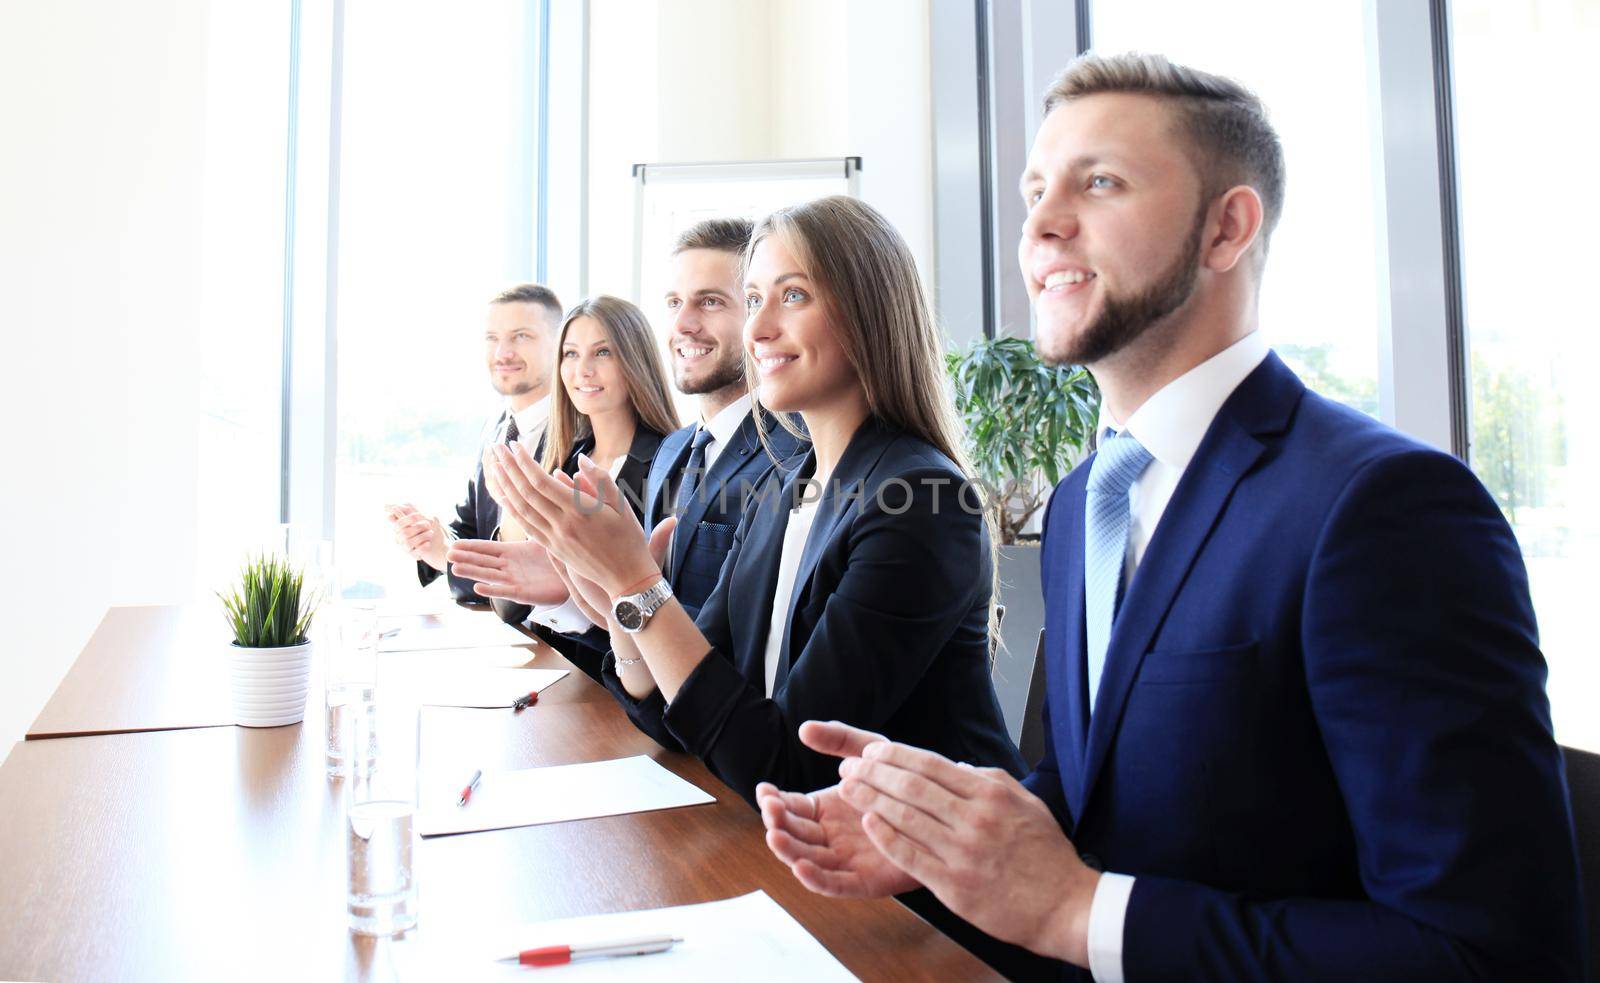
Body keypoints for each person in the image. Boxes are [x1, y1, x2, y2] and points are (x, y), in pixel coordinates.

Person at [754, 53, 1586, 981]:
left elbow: (1493, 952)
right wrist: (941, 835)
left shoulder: (1384, 508)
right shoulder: (1080, 506)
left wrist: (1081, 912)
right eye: (1035, 189)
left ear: (1226, 228)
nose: (1040, 223)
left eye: (1098, 182)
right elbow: (1098, 799)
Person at [467, 196, 1025, 804]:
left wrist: (634, 582)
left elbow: (790, 765)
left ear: (869, 312)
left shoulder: (922, 498)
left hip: (920, 879)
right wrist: (621, 603)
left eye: (793, 296)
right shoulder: (786, 489)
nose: (757, 331)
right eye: (754, 299)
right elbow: (683, 716)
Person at [487, 294, 680, 680]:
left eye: (602, 353)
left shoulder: (670, 462)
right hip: (545, 669)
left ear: (634, 361)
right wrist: (513, 507)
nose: (583, 370)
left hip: (612, 681)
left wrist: (569, 590)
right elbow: (509, 607)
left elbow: (666, 612)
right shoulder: (562, 460)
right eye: (571, 355)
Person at [383, 283, 562, 611]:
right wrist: (430, 539)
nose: (502, 353)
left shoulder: (579, 435)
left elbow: (541, 571)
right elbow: (473, 531)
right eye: (492, 338)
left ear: (559, 344)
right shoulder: (497, 430)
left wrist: (446, 558)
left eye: (521, 336)